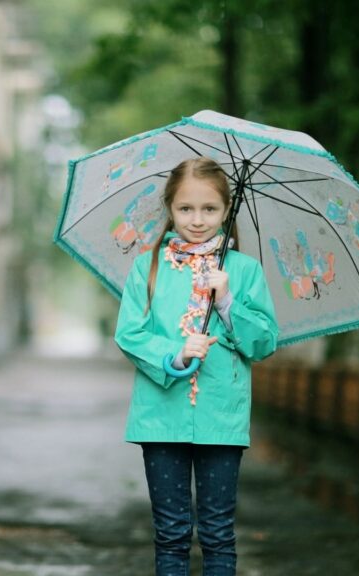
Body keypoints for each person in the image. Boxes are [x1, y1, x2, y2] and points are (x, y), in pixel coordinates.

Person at [114, 157, 278, 576]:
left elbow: (263, 343)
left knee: (218, 533)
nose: (198, 220)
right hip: (160, 419)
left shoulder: (243, 271)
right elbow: (130, 333)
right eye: (186, 209)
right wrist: (178, 352)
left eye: (210, 209)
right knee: (170, 533)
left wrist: (227, 303)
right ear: (170, 208)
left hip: (221, 418)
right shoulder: (147, 268)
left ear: (226, 211)